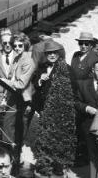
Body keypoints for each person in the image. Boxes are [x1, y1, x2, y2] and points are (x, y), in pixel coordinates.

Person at [24, 40, 77, 177]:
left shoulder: (66, 68)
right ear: (45, 54)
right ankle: (45, 164)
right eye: (49, 53)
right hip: (44, 109)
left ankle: (58, 166)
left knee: (58, 138)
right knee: (45, 136)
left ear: (59, 54)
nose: (52, 55)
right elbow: (35, 83)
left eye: (54, 52)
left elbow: (73, 89)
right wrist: (40, 80)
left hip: (59, 111)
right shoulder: (41, 67)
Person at [74, 61, 98, 178]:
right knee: (92, 154)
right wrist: (86, 108)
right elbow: (75, 101)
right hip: (88, 124)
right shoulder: (83, 84)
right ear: (92, 71)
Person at [1, 33, 36, 144]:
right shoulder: (17, 58)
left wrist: (3, 81)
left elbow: (21, 84)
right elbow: (11, 77)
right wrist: (5, 96)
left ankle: (16, 148)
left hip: (24, 96)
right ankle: (8, 145)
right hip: (15, 94)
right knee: (8, 121)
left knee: (21, 123)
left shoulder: (28, 61)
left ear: (25, 45)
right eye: (15, 45)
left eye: (20, 45)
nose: (16, 48)